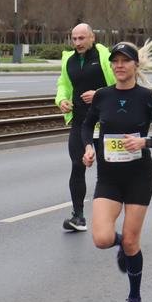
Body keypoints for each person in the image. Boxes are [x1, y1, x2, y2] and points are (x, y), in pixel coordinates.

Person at [81, 38, 152, 302]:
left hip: (139, 177)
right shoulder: (102, 96)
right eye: (116, 61)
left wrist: (145, 142)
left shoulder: (147, 98)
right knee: (101, 239)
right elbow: (87, 127)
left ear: (135, 65)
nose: (120, 66)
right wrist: (88, 148)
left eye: (125, 61)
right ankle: (122, 244)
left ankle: (134, 296)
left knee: (134, 241)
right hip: (109, 177)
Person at [55, 23, 116, 232]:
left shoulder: (105, 57)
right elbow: (63, 84)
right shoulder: (69, 60)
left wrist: (98, 93)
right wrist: (61, 100)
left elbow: (120, 84)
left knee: (107, 170)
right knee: (77, 165)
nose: (77, 43)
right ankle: (78, 216)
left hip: (106, 122)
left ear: (92, 38)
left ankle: (108, 215)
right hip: (81, 122)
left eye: (82, 38)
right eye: (74, 39)